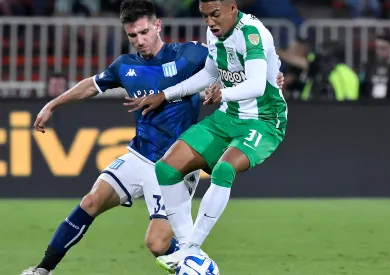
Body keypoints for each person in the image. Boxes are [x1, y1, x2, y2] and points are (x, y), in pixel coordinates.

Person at [20, 1, 285, 275]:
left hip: (178, 161)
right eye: (133, 35)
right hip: (139, 155)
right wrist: (53, 104)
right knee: (91, 201)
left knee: (157, 243)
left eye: (144, 32)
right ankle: (42, 270)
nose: (140, 40)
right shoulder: (125, 66)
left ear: (157, 26)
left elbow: (234, 62)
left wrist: (272, 74)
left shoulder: (189, 53)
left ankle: (193, 263)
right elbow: (92, 85)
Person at [125, 0, 288, 272]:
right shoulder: (215, 35)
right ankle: (189, 248)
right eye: (205, 16)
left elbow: (258, 85)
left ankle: (190, 251)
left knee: (224, 169)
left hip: (264, 121)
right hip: (229, 116)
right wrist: (166, 94)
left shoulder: (252, 34)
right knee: (166, 167)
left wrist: (224, 93)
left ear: (232, 8)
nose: (210, 22)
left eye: (215, 15)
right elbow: (209, 74)